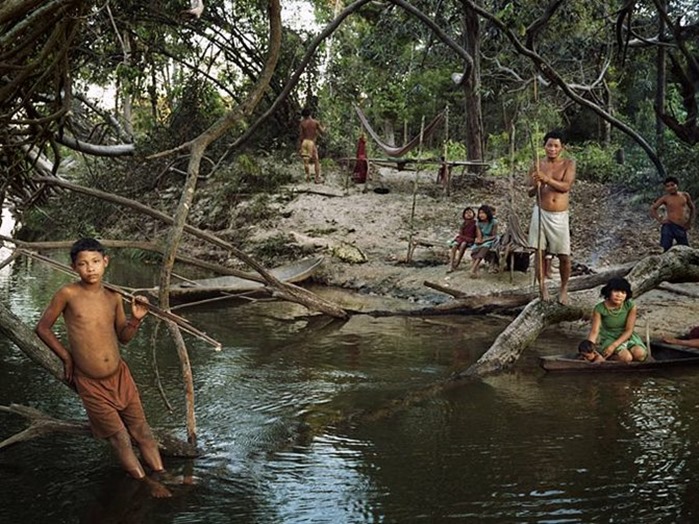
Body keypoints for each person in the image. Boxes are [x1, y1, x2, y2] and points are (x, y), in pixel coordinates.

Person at [35, 238, 172, 498]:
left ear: (105, 262)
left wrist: (135, 319)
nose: (90, 268)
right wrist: (66, 357)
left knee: (142, 430)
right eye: (83, 264)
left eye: (96, 262)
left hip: (120, 376)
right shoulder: (68, 294)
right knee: (120, 437)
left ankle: (163, 475)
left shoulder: (113, 296)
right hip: (90, 382)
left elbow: (123, 337)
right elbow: (43, 328)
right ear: (74, 267)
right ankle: (145, 483)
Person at [527, 130, 576, 304]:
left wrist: (546, 179)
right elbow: (530, 192)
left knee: (564, 255)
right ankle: (543, 287)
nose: (552, 149)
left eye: (556, 146)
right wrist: (537, 186)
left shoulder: (568, 164)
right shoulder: (537, 165)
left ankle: (564, 289)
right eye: (549, 145)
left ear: (562, 147)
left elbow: (565, 187)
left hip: (559, 216)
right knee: (539, 252)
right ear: (544, 146)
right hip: (540, 212)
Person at [585, 277, 648, 363]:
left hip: (627, 337)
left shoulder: (630, 305)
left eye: (623, 292)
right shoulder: (599, 308)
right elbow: (594, 332)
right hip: (609, 338)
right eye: (616, 291)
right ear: (609, 292)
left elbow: (629, 330)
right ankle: (610, 357)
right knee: (626, 358)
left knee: (640, 354)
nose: (619, 295)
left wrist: (613, 346)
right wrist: (589, 349)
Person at [649, 176, 695, 251]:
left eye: (672, 185)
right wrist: (660, 220)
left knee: (685, 249)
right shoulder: (665, 198)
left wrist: (689, 222)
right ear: (665, 188)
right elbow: (653, 208)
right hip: (669, 226)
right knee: (665, 248)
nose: (670, 187)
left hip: (681, 227)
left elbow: (692, 208)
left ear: (677, 185)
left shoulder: (685, 195)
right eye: (667, 186)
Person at [469, 205, 498, 277]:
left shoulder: (494, 222)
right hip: (483, 238)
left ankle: (473, 269)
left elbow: (494, 236)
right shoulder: (478, 223)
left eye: (483, 213)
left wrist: (484, 240)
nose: (481, 215)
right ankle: (476, 270)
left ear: (487, 213)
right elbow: (479, 235)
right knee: (475, 248)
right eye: (480, 213)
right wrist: (479, 240)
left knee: (485, 247)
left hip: (491, 239)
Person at [299, 107, 325, 183]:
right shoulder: (315, 122)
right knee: (316, 160)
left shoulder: (302, 123)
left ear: (303, 115)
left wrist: (300, 146)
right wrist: (324, 127)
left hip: (304, 142)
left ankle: (308, 176)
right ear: (310, 114)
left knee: (305, 161)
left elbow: (301, 136)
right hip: (311, 142)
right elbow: (322, 132)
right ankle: (317, 178)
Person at [447, 207, 477, 273]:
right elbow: (460, 234)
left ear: (473, 214)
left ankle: (458, 262)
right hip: (462, 239)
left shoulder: (475, 223)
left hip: (470, 241)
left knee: (463, 244)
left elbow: (476, 235)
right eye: (466, 213)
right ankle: (451, 264)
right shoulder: (463, 224)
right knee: (454, 245)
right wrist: (460, 238)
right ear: (464, 215)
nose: (468, 214)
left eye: (470, 212)